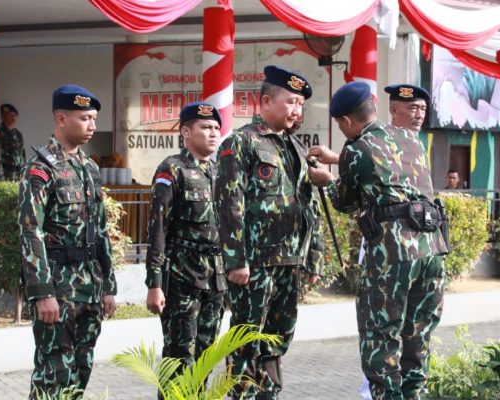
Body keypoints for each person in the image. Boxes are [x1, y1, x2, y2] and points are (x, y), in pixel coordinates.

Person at [308, 81, 449, 400]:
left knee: (381, 344)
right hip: (432, 251)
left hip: (393, 255)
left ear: (345, 121)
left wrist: (327, 179)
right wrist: (339, 160)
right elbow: (388, 173)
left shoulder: (356, 150)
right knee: (417, 341)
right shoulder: (411, 140)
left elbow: (344, 202)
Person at [215, 65, 324, 400]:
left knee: (277, 339)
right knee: (247, 338)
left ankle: (269, 394)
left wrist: (314, 257)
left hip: (289, 261)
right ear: (265, 101)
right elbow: (228, 204)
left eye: (300, 104)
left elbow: (309, 206)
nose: (296, 110)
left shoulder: (295, 148)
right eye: (290, 102)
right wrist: (236, 260)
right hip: (254, 265)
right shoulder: (241, 143)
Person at [18, 84, 117, 399]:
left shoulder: (89, 168)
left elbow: (99, 230)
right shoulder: (41, 168)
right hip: (58, 289)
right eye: (85, 118)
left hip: (89, 288)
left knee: (80, 375)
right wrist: (42, 293)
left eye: (94, 118)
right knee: (53, 376)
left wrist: (109, 286)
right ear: (61, 119)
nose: (92, 126)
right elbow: (30, 230)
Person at [144, 102, 226, 396]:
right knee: (179, 359)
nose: (213, 133)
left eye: (216, 128)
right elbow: (157, 230)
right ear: (185, 132)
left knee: (205, 358)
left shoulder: (218, 171)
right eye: (206, 127)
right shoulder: (171, 170)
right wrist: (154, 284)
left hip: (215, 280)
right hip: (182, 280)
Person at [0, 103, 26, 181]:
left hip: (18, 174)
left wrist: (24, 174)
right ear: (2, 117)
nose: (13, 118)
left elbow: (22, 155)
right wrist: (0, 179)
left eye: (14, 115)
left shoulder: (18, 134)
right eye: (10, 115)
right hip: (5, 175)